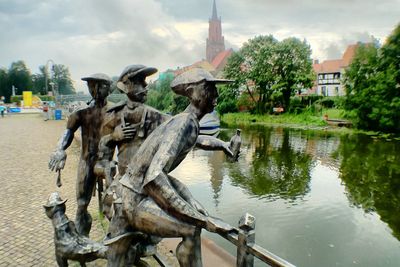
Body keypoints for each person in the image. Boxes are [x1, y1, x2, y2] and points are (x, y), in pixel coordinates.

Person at [106, 68, 235, 267]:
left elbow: (194, 140)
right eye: (210, 89)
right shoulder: (184, 123)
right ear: (194, 92)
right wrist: (202, 221)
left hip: (130, 192)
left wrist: (223, 145)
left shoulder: (186, 121)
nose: (216, 94)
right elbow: (154, 178)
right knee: (191, 230)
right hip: (133, 198)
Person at [48, 73, 112, 236]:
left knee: (117, 198)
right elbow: (68, 133)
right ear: (94, 88)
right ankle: (81, 238)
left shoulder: (115, 111)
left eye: (108, 85)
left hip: (107, 162)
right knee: (82, 203)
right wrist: (60, 149)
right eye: (104, 85)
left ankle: (117, 235)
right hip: (87, 161)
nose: (108, 88)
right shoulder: (83, 112)